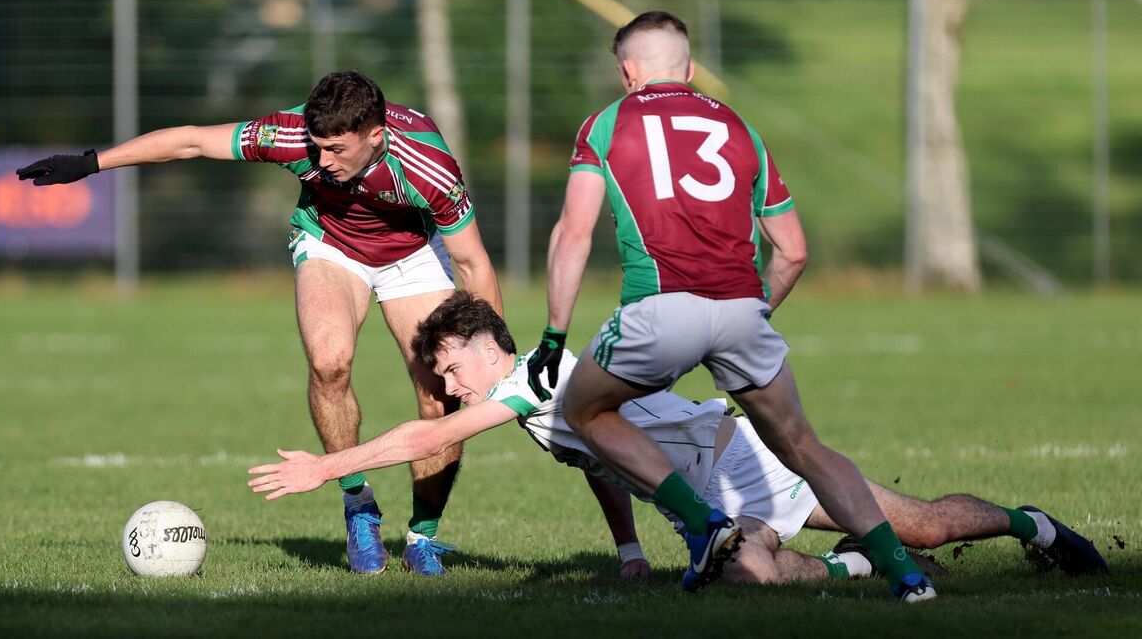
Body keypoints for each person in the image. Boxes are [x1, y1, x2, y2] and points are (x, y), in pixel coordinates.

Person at [245, 292, 1108, 585]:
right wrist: (626, 547)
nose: (443, 384)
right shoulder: (541, 399)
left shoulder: (532, 378)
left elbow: (417, 438)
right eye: (439, 376)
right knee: (752, 577)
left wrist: (329, 465)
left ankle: (1031, 523)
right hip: (710, 495)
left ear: (479, 342)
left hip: (744, 462)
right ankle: (846, 564)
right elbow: (601, 464)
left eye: (444, 366)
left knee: (921, 526)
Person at [16, 70, 503, 577]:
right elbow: (191, 142)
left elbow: (474, 265)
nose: (324, 161)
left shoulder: (428, 164)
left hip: (413, 255)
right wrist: (92, 162)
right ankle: (358, 504)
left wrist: (493, 354)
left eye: (336, 149)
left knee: (438, 395)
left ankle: (423, 537)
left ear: (375, 135)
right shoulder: (290, 135)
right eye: (317, 148)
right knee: (329, 362)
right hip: (330, 246)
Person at [523, 10, 931, 599]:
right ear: (689, 68)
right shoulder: (741, 129)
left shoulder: (607, 122)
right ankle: (908, 576)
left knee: (583, 413)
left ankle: (704, 525)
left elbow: (573, 233)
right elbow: (792, 250)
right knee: (803, 446)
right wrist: (753, 310)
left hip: (659, 310)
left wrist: (555, 335)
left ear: (627, 71)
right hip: (742, 308)